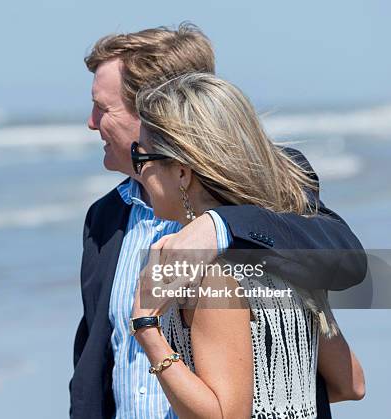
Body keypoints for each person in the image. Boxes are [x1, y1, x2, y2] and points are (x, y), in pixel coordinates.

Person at [70, 23, 367, 419]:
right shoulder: (104, 217)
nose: (91, 123)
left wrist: (221, 225)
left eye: (103, 108)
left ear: (158, 108)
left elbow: (348, 260)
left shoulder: (275, 184)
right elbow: (95, 362)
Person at [128, 72, 365, 418]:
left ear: (182, 173)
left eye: (141, 158)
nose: (137, 174)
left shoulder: (210, 270)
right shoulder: (283, 257)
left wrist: (146, 328)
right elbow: (351, 383)